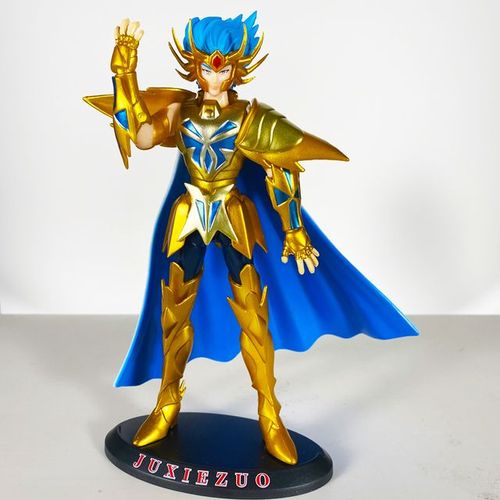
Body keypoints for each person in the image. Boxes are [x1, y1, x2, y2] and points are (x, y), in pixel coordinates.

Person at [84, 13, 418, 466]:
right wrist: (125, 71)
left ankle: (269, 413)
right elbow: (141, 135)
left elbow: (282, 170)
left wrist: (295, 230)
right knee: (174, 310)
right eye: (206, 64)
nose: (213, 73)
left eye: (222, 66)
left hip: (234, 214)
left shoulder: (251, 117)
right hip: (188, 215)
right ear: (193, 65)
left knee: (253, 313)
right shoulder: (180, 112)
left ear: (236, 68)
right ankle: (167, 403)